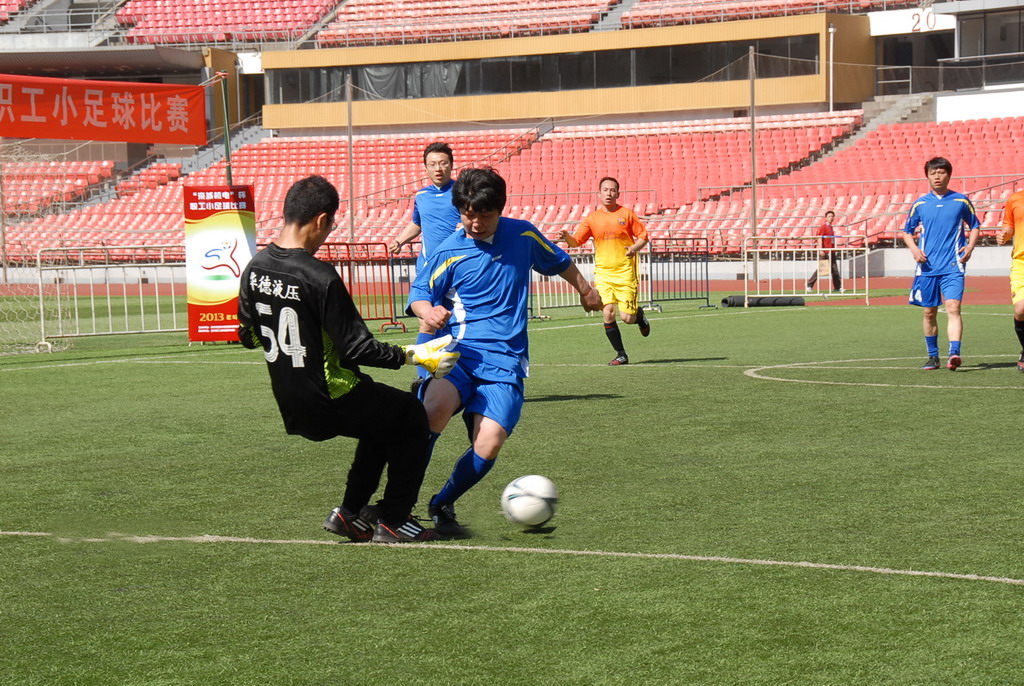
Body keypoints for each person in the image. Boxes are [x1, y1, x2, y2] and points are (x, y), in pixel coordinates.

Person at [237, 175, 460, 544]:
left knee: (382, 418)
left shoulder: (256, 266)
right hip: (329, 393)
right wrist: (412, 354)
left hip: (289, 397)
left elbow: (247, 335)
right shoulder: (318, 276)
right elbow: (358, 348)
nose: (328, 234)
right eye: (331, 226)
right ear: (322, 220)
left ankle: (349, 514)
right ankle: (395, 519)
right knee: (409, 414)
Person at [408, 167, 603, 537]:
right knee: (433, 411)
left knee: (490, 442)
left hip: (505, 361)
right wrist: (427, 311)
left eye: (484, 214)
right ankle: (398, 505)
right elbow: (419, 293)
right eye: (468, 213)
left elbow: (560, 261)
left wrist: (586, 290)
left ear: (500, 209)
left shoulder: (522, 234)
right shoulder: (449, 249)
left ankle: (442, 503)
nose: (475, 222)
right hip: (457, 353)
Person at [388, 142, 463, 381]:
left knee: (453, 324)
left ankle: (456, 379)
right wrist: (399, 240)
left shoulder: (462, 193)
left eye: (443, 163)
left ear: (451, 165)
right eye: (432, 164)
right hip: (428, 271)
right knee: (427, 323)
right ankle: (423, 381)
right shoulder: (421, 196)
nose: (438, 168)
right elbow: (417, 223)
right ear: (426, 167)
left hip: (457, 270)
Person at [558, 177, 650, 366]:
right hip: (603, 273)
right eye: (605, 190)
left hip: (625, 272)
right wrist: (567, 237)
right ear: (599, 193)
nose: (609, 193)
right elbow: (576, 241)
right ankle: (621, 355)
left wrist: (634, 248)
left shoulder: (627, 214)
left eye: (612, 190)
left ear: (618, 193)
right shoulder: (592, 219)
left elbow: (644, 236)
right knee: (608, 312)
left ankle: (639, 316)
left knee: (627, 318)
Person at [902, 157, 980, 371]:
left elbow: (974, 226)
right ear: (927, 176)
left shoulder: (961, 201)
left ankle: (954, 353)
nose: (937, 176)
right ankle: (933, 356)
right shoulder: (920, 204)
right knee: (929, 312)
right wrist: (914, 249)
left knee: (953, 307)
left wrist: (970, 246)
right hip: (927, 267)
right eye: (933, 173)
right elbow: (907, 232)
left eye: (941, 172)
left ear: (949, 175)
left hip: (953, 266)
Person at [996, 188, 1024, 373]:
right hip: (1021, 261)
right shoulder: (1016, 198)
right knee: (1021, 310)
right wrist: (1005, 234)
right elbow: (1009, 225)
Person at [805, 210, 843, 293]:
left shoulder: (831, 227)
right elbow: (819, 238)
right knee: (822, 269)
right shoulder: (823, 227)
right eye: (829, 216)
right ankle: (809, 284)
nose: (831, 218)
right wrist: (821, 249)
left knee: (834, 269)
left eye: (832, 216)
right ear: (826, 218)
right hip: (826, 251)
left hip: (831, 251)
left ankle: (838, 287)